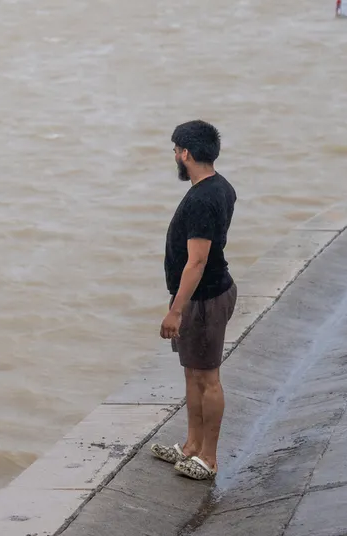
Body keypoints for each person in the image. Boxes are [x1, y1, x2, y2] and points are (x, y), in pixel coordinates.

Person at [149, 120, 237, 482]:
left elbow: (197, 261)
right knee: (192, 372)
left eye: (175, 150)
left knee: (207, 377)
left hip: (204, 298)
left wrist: (176, 309)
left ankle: (209, 458)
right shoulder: (220, 186)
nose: (174, 156)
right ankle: (191, 446)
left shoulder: (202, 198)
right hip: (203, 295)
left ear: (185, 153)